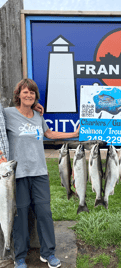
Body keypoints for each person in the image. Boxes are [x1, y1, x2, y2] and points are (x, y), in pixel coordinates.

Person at [4, 78, 80, 268]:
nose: (28, 95)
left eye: (32, 92)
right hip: (17, 175)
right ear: (18, 95)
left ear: (35, 96)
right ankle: (19, 257)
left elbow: (49, 134)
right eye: (25, 92)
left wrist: (73, 134)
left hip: (39, 173)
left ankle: (48, 253)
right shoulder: (8, 114)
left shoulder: (38, 116)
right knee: (19, 215)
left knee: (44, 213)